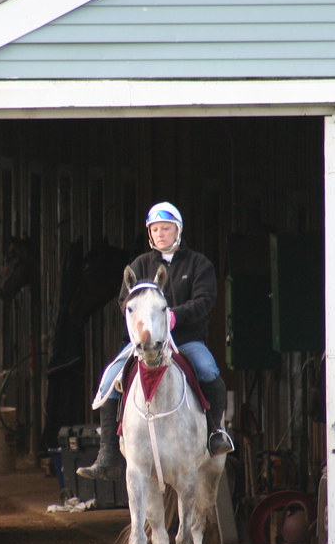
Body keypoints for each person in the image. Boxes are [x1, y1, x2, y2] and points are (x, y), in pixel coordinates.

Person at [77, 202, 234, 481]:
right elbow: (125, 301)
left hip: (185, 339)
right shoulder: (140, 265)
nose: (161, 234)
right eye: (156, 229)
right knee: (107, 381)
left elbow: (204, 300)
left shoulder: (198, 264)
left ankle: (214, 434)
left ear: (178, 230)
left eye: (166, 228)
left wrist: (174, 317)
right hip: (146, 341)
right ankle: (108, 454)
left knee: (209, 372)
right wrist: (145, 324)